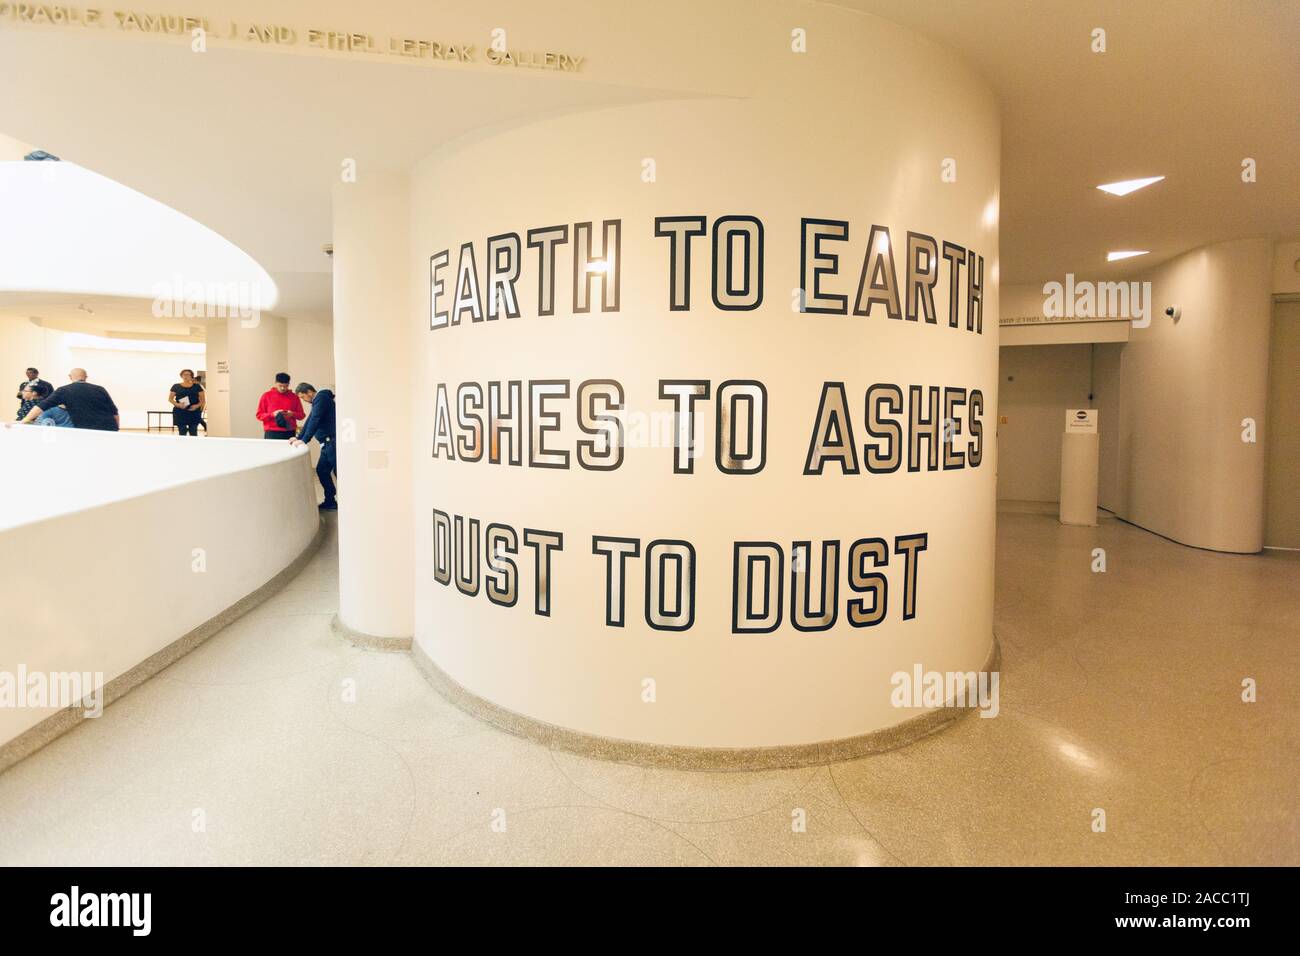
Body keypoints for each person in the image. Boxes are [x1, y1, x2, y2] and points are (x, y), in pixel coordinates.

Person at [18, 369, 118, 430]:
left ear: (70, 377)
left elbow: (41, 406)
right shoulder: (100, 389)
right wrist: (116, 428)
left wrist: (24, 420)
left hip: (87, 430)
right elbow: (114, 412)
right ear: (86, 377)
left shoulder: (64, 390)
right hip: (109, 427)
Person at [290, 383, 337, 511]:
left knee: (339, 473)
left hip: (331, 443)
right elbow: (310, 420)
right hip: (327, 444)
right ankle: (330, 501)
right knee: (322, 471)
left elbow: (315, 420)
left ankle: (350, 501)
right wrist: (299, 438)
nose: (303, 400)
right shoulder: (317, 401)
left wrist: (305, 440)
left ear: (309, 392)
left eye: (303, 397)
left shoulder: (321, 398)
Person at [256, 372, 304, 439]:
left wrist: (292, 414)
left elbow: (301, 415)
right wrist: (272, 414)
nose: (282, 388)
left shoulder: (294, 397)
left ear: (289, 384)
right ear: (275, 383)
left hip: (290, 432)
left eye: (285, 386)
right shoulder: (266, 396)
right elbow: (259, 415)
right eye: (280, 385)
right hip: (271, 432)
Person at [168, 368, 205, 436]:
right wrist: (177, 404)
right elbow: (170, 399)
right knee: (182, 432)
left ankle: (193, 446)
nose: (186, 376)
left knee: (193, 431)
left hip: (194, 411)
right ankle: (182, 446)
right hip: (180, 411)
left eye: (188, 374)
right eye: (184, 374)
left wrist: (197, 406)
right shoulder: (176, 386)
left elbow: (203, 400)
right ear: (181, 376)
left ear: (191, 376)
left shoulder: (197, 386)